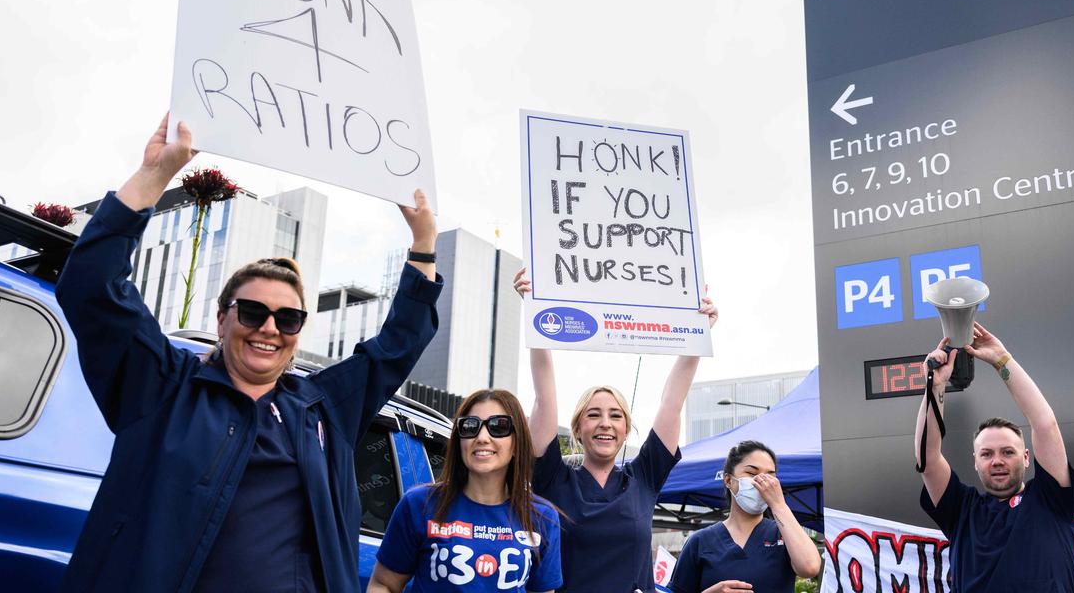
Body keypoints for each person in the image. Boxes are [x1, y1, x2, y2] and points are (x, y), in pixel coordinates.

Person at [54, 115, 443, 593]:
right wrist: (155, 175)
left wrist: (423, 245)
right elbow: (93, 285)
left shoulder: (324, 409)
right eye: (253, 311)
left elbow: (398, 346)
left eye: (288, 319)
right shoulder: (162, 387)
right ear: (223, 319)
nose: (269, 329)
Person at [513, 268, 718, 593]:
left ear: (626, 430)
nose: (605, 423)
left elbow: (671, 403)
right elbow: (544, 398)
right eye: (593, 415)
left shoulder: (643, 478)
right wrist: (534, 310)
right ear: (578, 428)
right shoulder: (553, 478)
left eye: (615, 416)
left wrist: (697, 334)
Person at [914, 322, 1074, 592]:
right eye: (987, 454)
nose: (998, 460)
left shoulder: (1051, 498)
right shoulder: (961, 510)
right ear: (975, 462)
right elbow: (927, 459)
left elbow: (1044, 424)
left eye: (1008, 452)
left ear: (1026, 457)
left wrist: (1002, 360)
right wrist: (935, 386)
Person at [369, 389, 562, 593]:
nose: (482, 437)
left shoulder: (543, 517)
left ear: (516, 443)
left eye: (498, 426)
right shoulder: (418, 504)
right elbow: (383, 584)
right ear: (460, 441)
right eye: (470, 427)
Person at [668, 441, 822, 593]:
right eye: (751, 473)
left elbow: (810, 567)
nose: (762, 482)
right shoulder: (701, 541)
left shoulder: (784, 534)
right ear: (728, 480)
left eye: (770, 476)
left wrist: (779, 505)